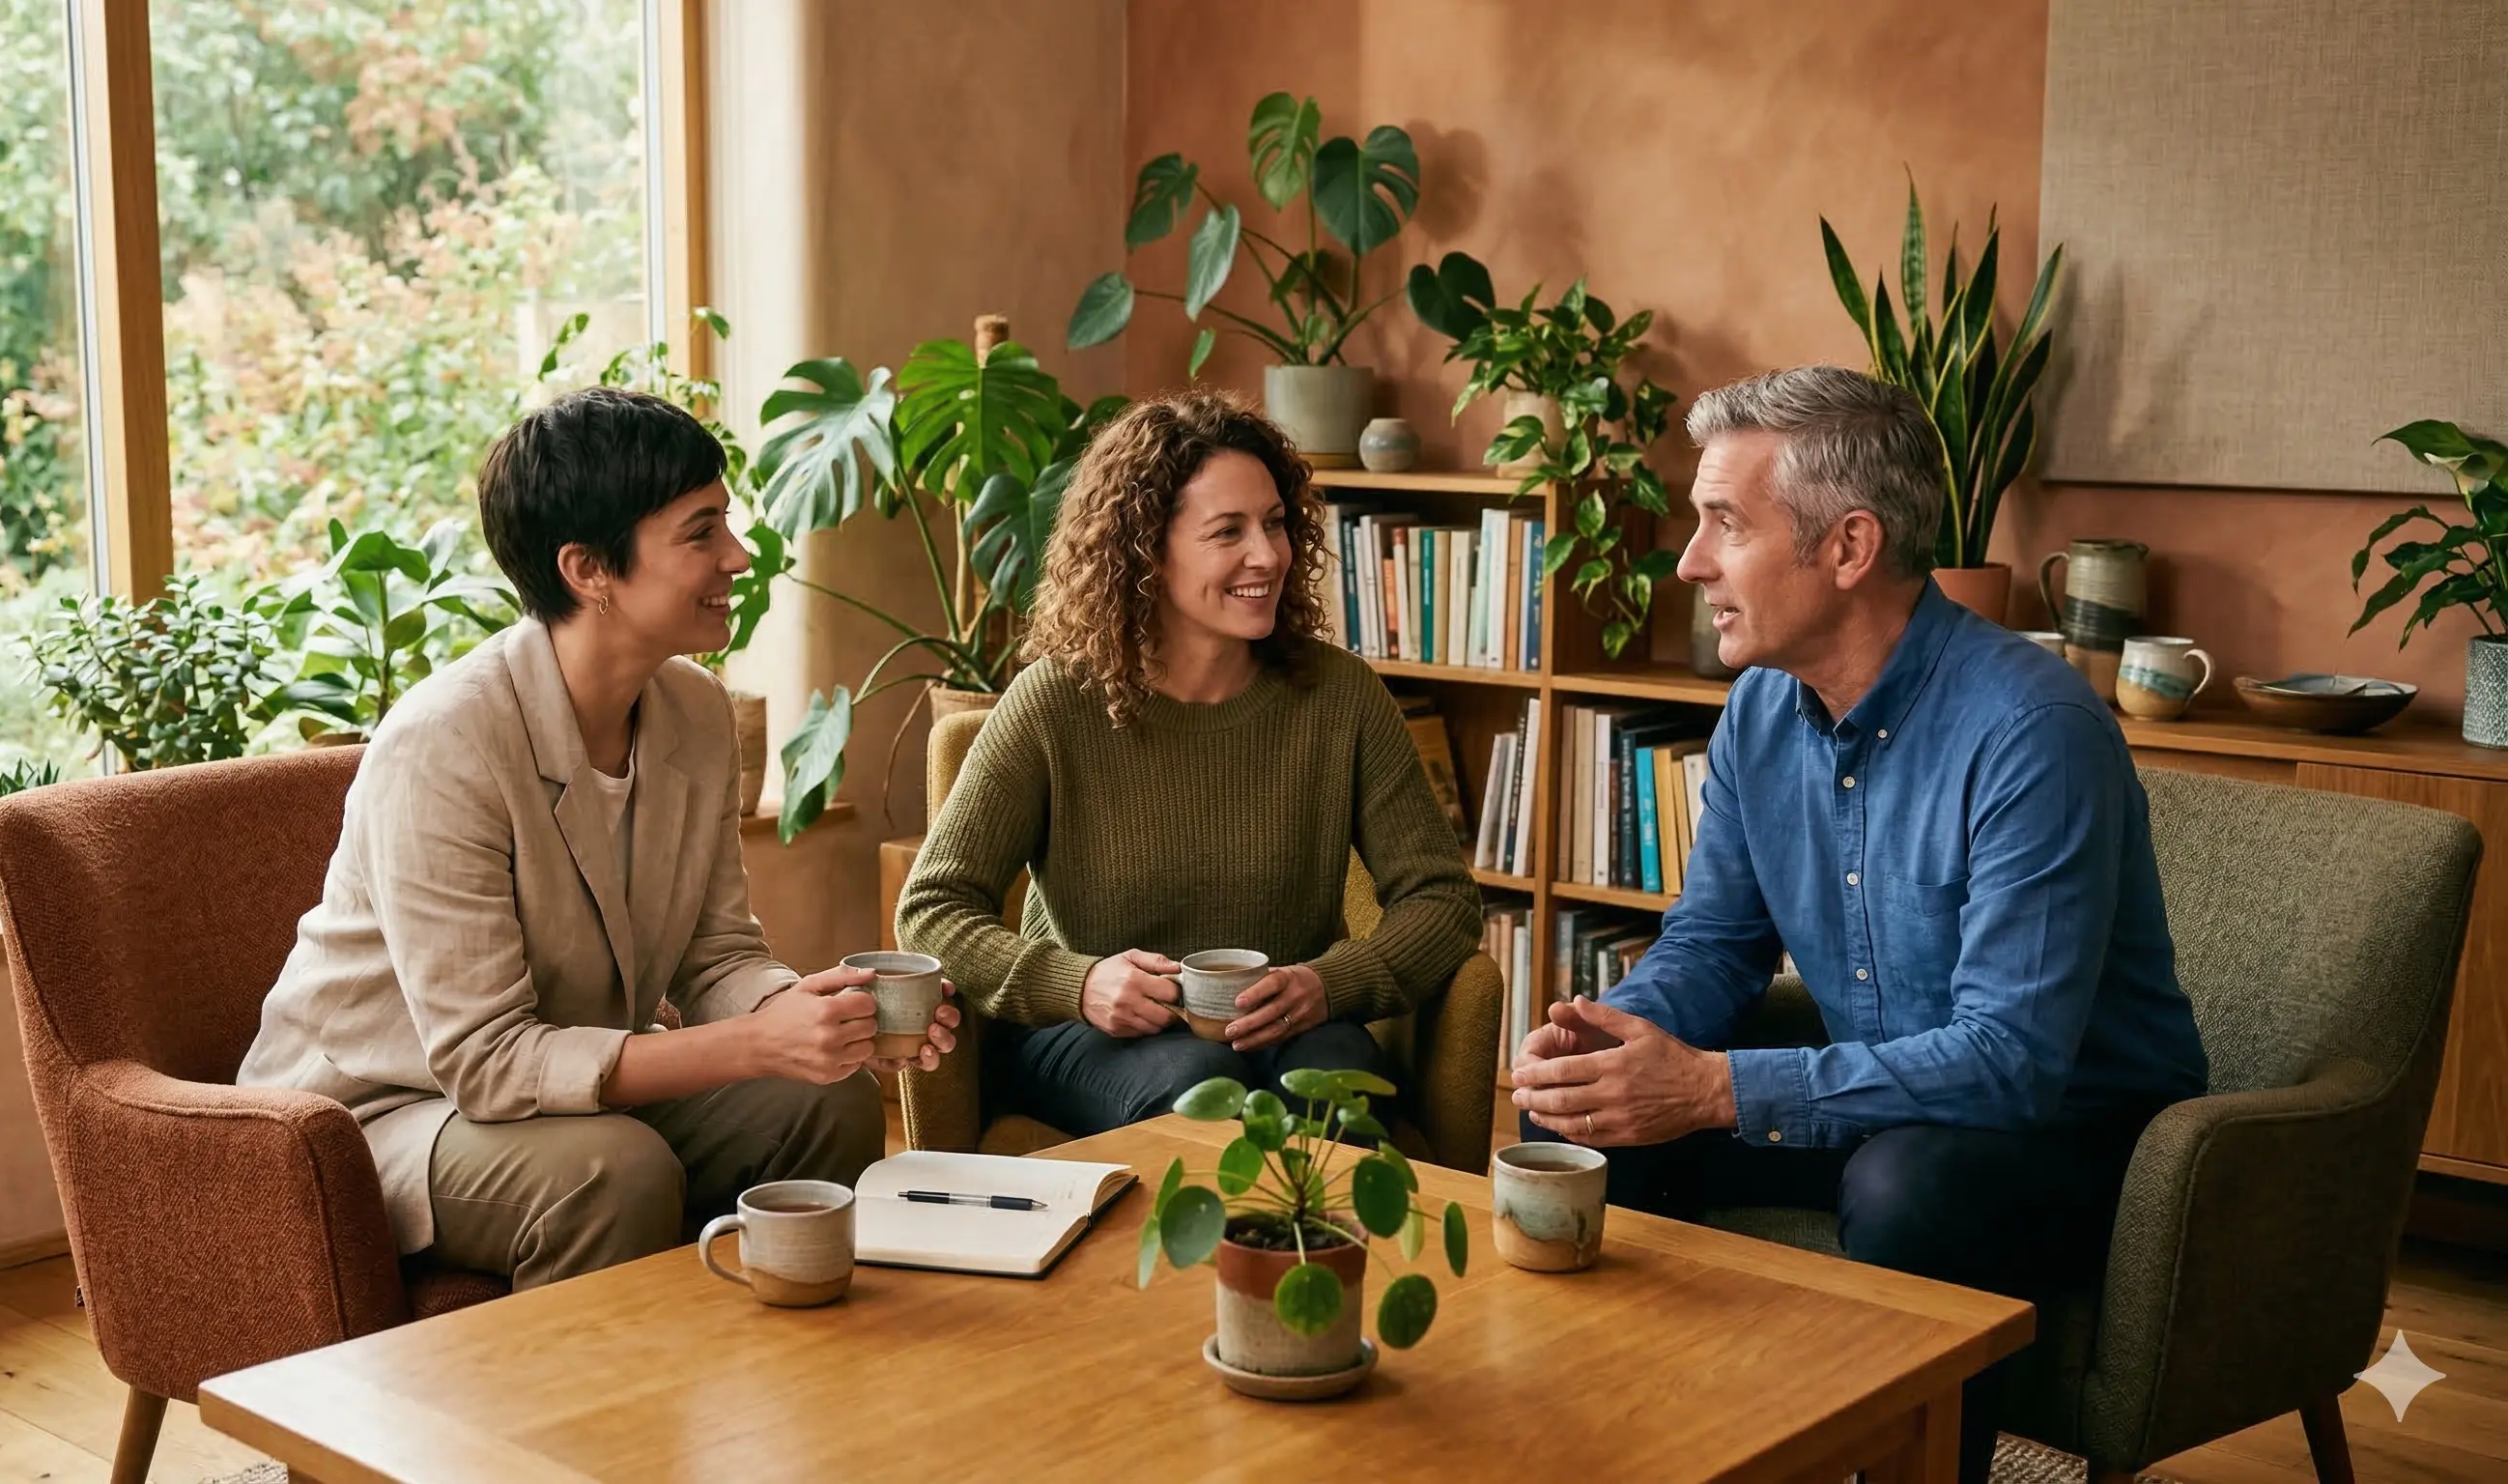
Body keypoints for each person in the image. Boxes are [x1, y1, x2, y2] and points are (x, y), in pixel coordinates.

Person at [1509, 366, 2208, 1484]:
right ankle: (1654, 1453)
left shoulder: (2033, 733)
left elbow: (2010, 1063)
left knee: (1907, 1187)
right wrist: (1615, 1042)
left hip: (2085, 1139)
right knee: (1602, 1140)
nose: (1690, 562)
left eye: (1724, 525)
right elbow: (1714, 945)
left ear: (1847, 549)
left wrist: (1714, 1089)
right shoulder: (1756, 714)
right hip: (1875, 1100)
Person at [238, 386, 957, 1291]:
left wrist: (820, 1015)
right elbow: (487, 1063)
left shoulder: (695, 711)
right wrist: (753, 1044)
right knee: (609, 1171)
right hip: (386, 1115)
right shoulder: (445, 743)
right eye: (700, 534)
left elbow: (717, 954)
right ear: (588, 569)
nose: (738, 556)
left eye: (725, 524)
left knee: (823, 1101)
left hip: (561, 1090)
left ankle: (782, 1392)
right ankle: (577, 1429)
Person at [896, 390, 1481, 1135]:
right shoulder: (1055, 704)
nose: (1268, 555)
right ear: (1144, 550)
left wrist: (1329, 984)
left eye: (1274, 524)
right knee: (1202, 1086)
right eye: (1227, 531)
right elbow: (930, 910)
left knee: (1335, 1100)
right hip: (1090, 1037)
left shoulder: (1340, 697)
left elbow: (1442, 898)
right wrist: (1076, 984)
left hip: (1290, 1031)